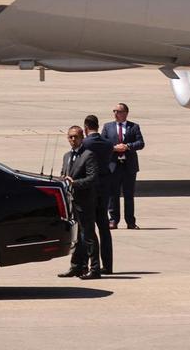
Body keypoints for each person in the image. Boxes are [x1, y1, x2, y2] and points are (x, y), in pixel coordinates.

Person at [58, 125, 101, 279]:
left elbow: (92, 178)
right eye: (70, 137)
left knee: (88, 235)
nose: (73, 140)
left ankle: (95, 268)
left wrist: (74, 183)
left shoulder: (88, 155)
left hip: (85, 202)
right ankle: (77, 266)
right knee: (76, 235)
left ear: (82, 138)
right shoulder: (66, 156)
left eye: (76, 137)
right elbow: (64, 174)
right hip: (71, 201)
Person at [102, 103, 145, 229]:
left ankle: (130, 221)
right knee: (113, 195)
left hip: (129, 166)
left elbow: (140, 143)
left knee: (129, 195)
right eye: (114, 111)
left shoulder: (134, 127)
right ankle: (113, 220)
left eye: (119, 111)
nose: (116, 113)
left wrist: (128, 146)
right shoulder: (108, 127)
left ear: (126, 113)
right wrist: (114, 148)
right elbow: (103, 143)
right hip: (113, 166)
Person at [82, 115, 114, 274]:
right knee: (104, 228)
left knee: (87, 228)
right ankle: (108, 265)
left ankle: (86, 264)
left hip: (89, 190)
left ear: (86, 127)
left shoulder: (85, 143)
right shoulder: (108, 143)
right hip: (104, 188)